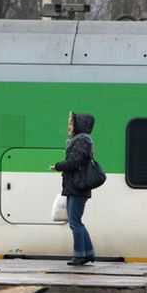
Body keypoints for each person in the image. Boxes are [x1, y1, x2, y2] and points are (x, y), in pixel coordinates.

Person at [51, 112, 97, 266]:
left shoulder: (82, 141)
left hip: (78, 186)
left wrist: (58, 166)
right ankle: (88, 253)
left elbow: (74, 162)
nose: (69, 126)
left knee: (74, 222)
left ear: (79, 125)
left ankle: (79, 255)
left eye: (71, 123)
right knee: (76, 221)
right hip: (75, 186)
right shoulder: (79, 141)